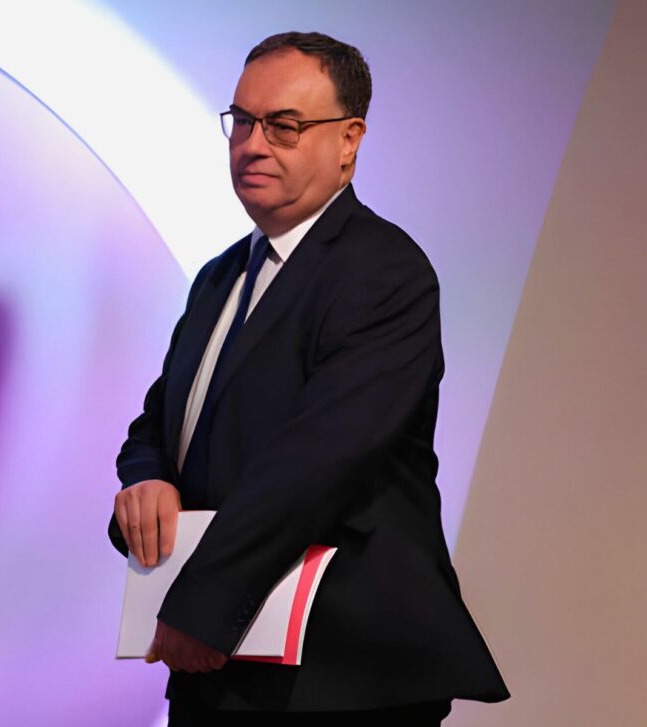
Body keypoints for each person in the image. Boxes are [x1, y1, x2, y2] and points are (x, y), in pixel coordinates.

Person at [108, 32, 509, 724]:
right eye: (242, 120)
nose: (253, 144)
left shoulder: (384, 272)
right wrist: (145, 476)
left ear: (349, 141)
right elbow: (161, 421)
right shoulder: (218, 277)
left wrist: (201, 604)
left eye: (284, 125)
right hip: (220, 675)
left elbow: (317, 462)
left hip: (342, 678)